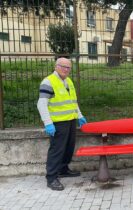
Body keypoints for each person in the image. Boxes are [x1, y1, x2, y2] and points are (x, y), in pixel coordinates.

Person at [37, 57, 87, 191]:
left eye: (68, 67)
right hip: (58, 123)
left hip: (70, 120)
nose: (66, 69)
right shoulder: (48, 82)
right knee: (57, 150)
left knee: (69, 148)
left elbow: (73, 101)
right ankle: (51, 178)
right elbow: (41, 104)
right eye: (63, 66)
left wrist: (80, 116)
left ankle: (63, 169)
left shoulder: (68, 81)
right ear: (56, 66)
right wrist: (48, 123)